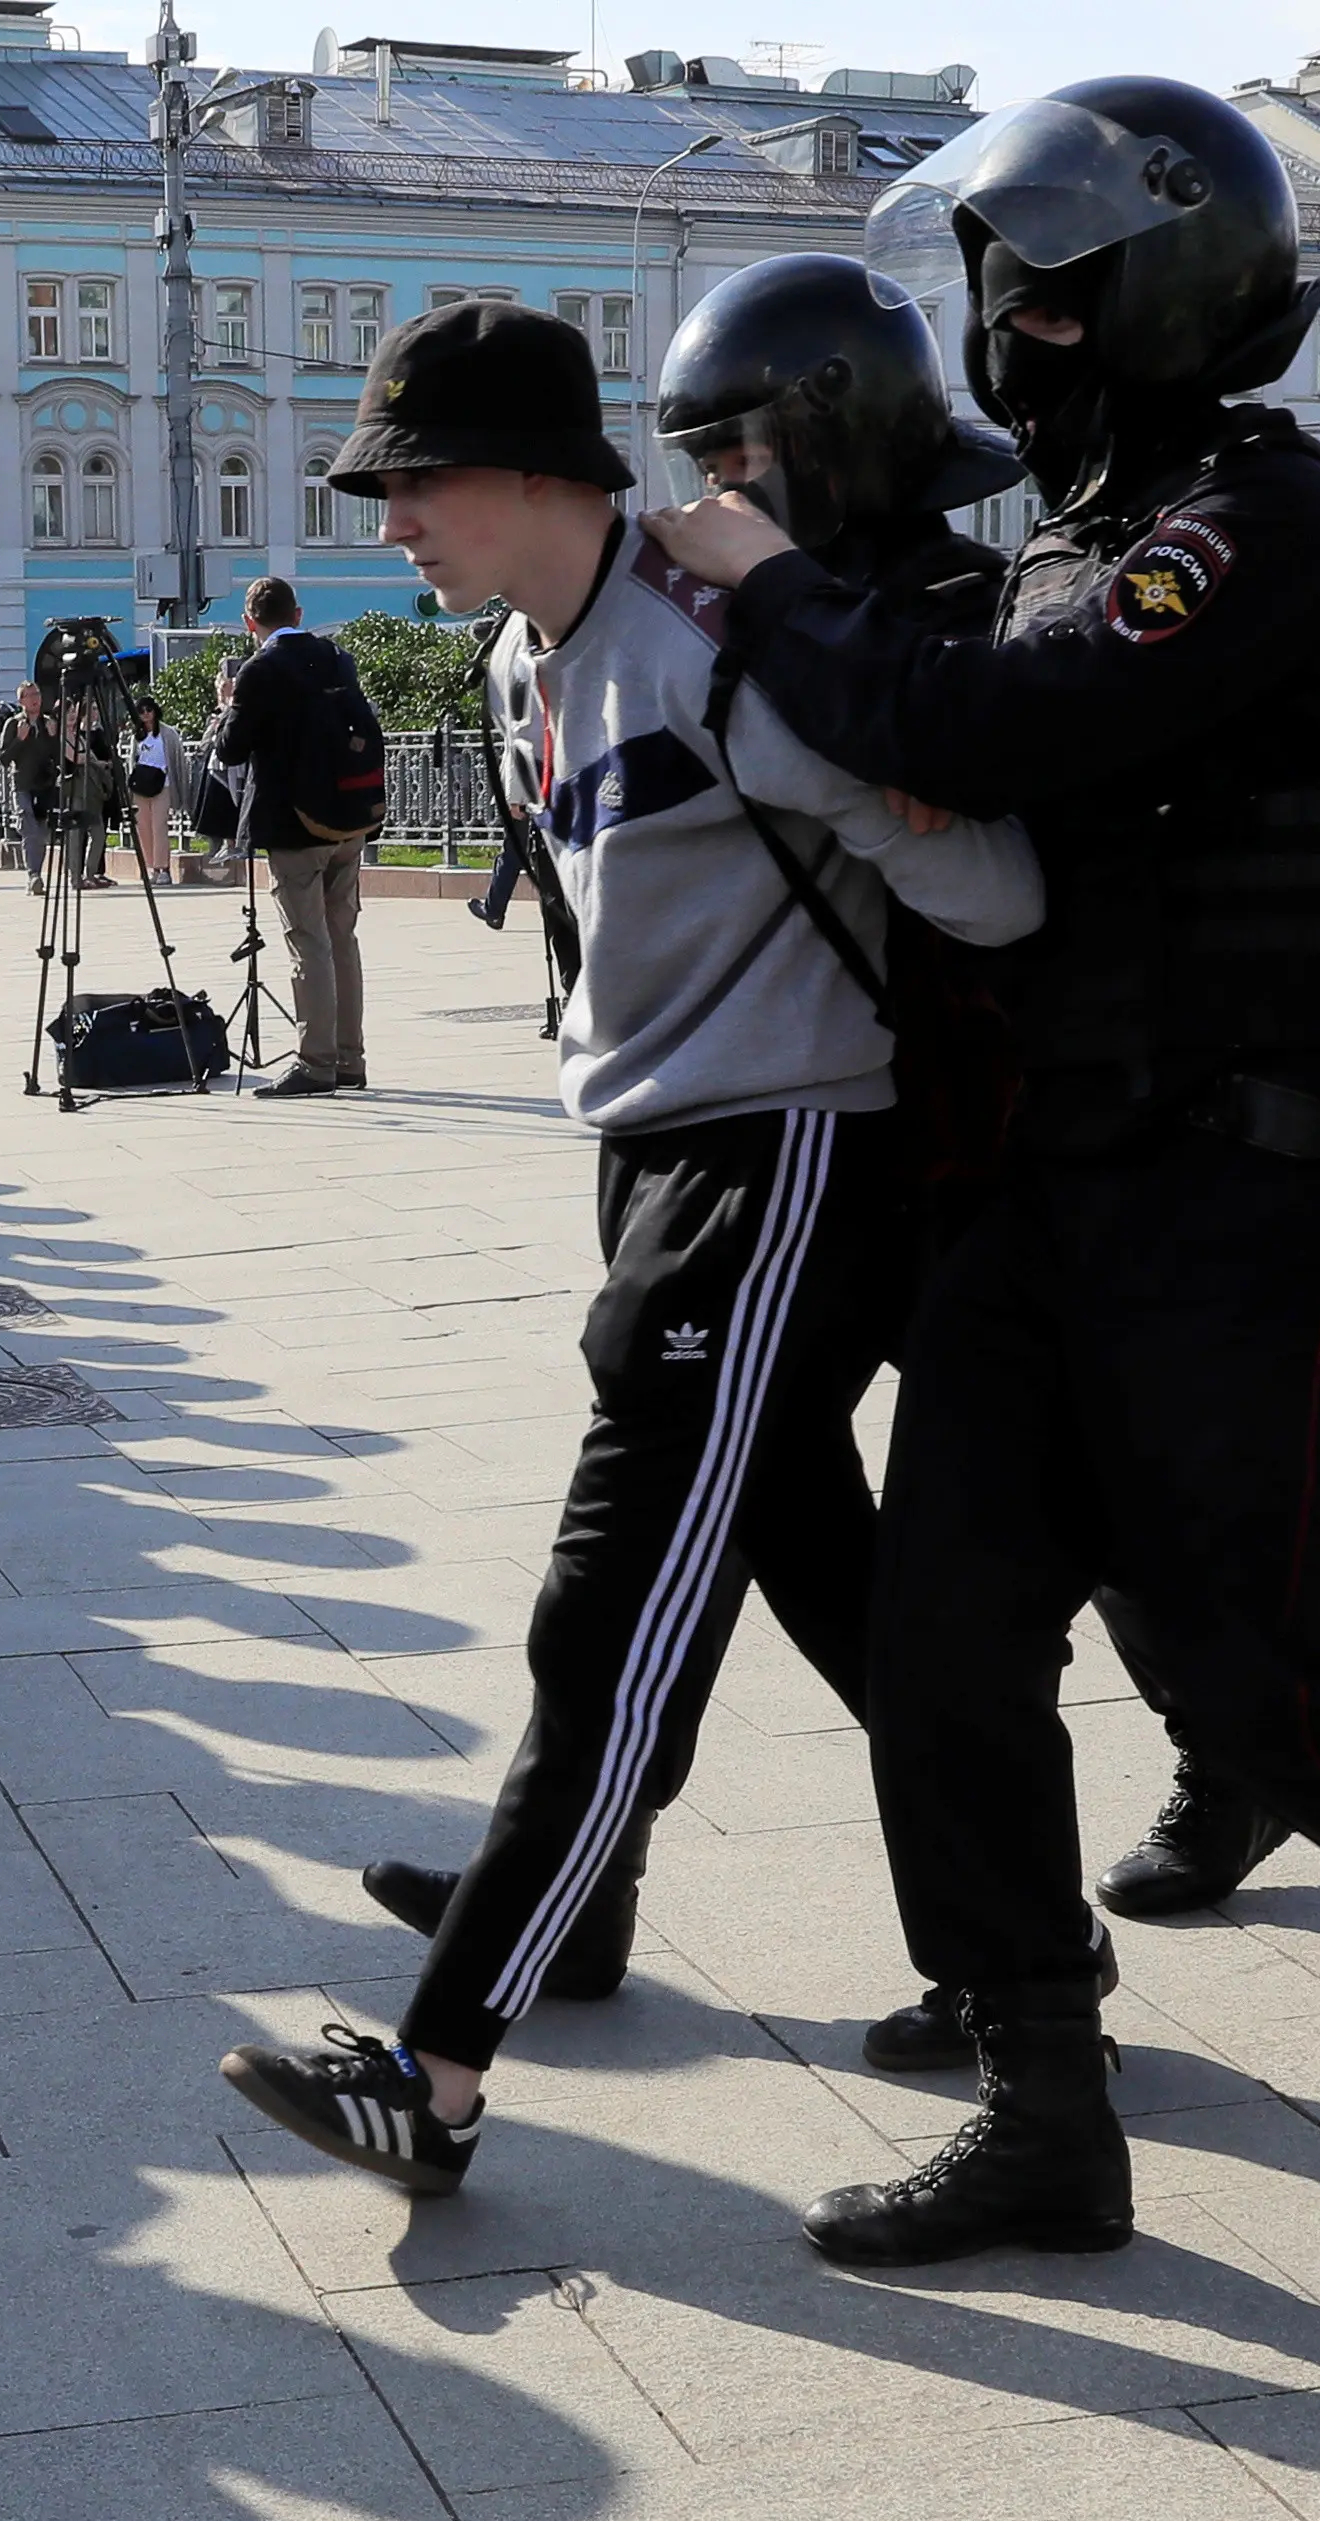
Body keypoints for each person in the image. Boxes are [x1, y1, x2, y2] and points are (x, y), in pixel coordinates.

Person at [637, 76, 1320, 2266]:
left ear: (1140, 291)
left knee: (1242, 1679)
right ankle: (1045, 2091)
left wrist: (755, 584)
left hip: (1234, 1199)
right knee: (944, 1648)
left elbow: (978, 731)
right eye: (992, 282)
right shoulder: (1071, 525)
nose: (998, 322)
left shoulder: (1259, 525)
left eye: (1033, 284)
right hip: (1045, 1186)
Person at [219, 292, 1046, 2203]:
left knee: (611, 1614)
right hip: (657, 1161)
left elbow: (992, 888)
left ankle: (437, 2069)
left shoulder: (711, 648)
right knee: (834, 1591)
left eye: (413, 484)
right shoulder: (525, 660)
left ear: (537, 473)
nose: (388, 523)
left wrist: (904, 807)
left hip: (781, 1172)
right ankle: (1012, 1943)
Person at [209, 575, 376, 1096]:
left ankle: (316, 1062)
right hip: (350, 817)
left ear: (249, 622)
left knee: (309, 941)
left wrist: (225, 705)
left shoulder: (261, 670)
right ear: (299, 614)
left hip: (296, 824)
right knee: (343, 938)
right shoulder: (337, 657)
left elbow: (232, 749)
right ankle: (351, 1058)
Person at [0, 679, 65, 892]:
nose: (35, 699)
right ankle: (34, 875)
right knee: (30, 831)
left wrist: (55, 737)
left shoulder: (48, 723)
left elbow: (58, 756)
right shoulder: (14, 724)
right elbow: (4, 758)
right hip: (22, 784)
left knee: (41, 833)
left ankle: (37, 872)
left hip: (44, 785)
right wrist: (20, 739)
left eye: (37, 694)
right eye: (30, 695)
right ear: (21, 701)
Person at [127, 695, 178, 888]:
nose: (146, 714)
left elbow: (177, 761)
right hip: (141, 787)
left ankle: (163, 867)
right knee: (144, 828)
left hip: (162, 784)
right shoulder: (136, 736)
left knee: (159, 827)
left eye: (149, 709)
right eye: (141, 711)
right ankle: (152, 868)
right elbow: (132, 761)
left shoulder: (167, 733)